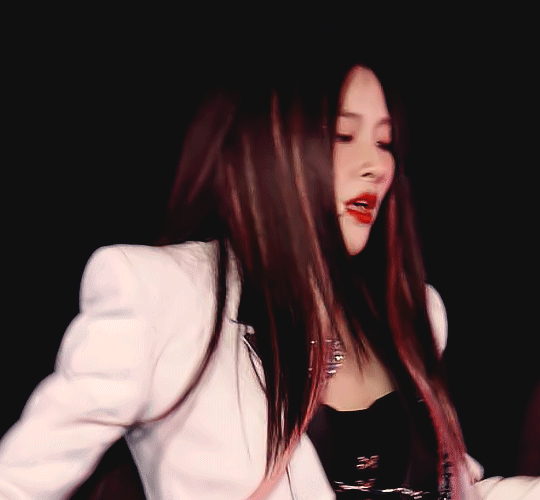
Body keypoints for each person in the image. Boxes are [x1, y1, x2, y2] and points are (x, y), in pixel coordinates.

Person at [0, 32, 538, 500]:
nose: (377, 165)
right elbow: (17, 481)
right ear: (270, 147)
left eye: (385, 141)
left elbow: (459, 490)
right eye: (343, 136)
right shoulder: (165, 297)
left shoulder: (413, 313)